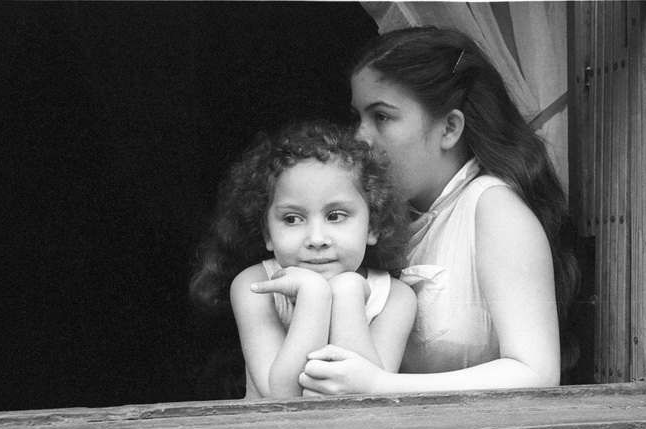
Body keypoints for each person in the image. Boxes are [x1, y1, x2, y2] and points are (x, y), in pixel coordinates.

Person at [260, 26, 579, 396]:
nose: (360, 136)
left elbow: (536, 373)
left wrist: (381, 384)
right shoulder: (374, 217)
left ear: (449, 128)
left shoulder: (493, 207)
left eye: (381, 117)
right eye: (358, 117)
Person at [190, 121, 416, 398]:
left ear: (373, 226)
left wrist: (347, 295)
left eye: (336, 216)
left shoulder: (395, 298)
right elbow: (281, 397)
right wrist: (314, 296)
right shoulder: (255, 286)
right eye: (292, 219)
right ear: (267, 232)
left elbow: (367, 398)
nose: (316, 238)